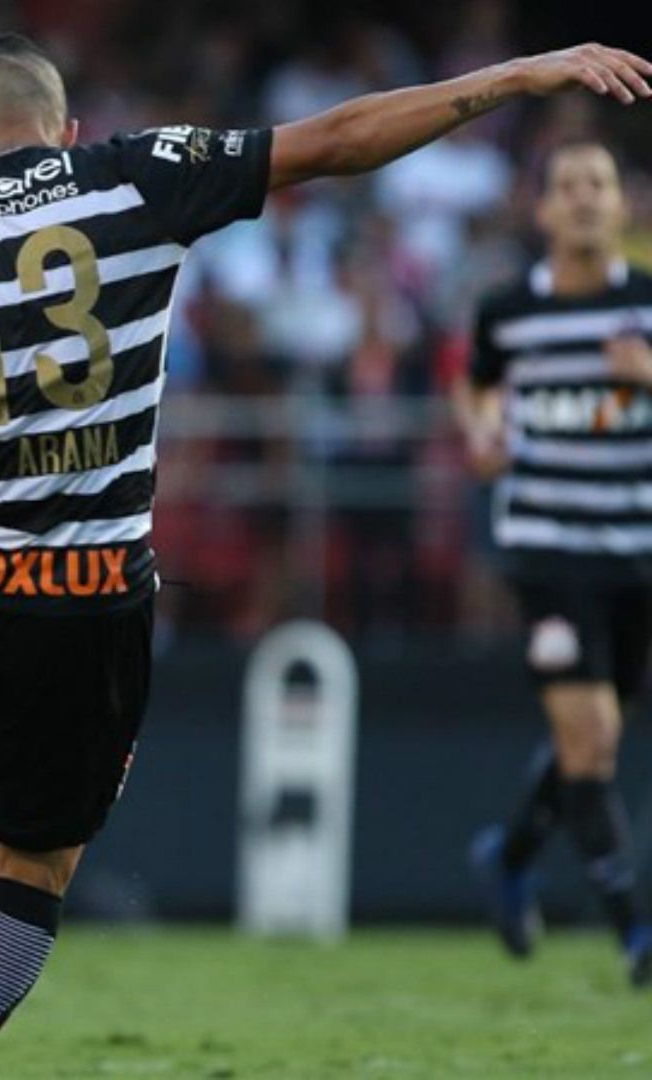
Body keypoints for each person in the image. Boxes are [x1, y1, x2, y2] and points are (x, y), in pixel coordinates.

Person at [0, 33, 652, 1080]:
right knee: (33, 871)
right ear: (67, 131)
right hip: (87, 600)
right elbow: (342, 139)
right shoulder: (137, 175)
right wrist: (513, 78)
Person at [461, 141, 652, 987]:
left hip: (635, 550)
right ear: (541, 211)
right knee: (593, 734)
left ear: (622, 206)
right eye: (566, 186)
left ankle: (510, 853)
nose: (582, 199)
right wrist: (481, 431)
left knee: (596, 747)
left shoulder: (647, 308)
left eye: (597, 185)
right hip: (545, 547)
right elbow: (478, 385)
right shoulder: (507, 310)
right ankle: (636, 932)